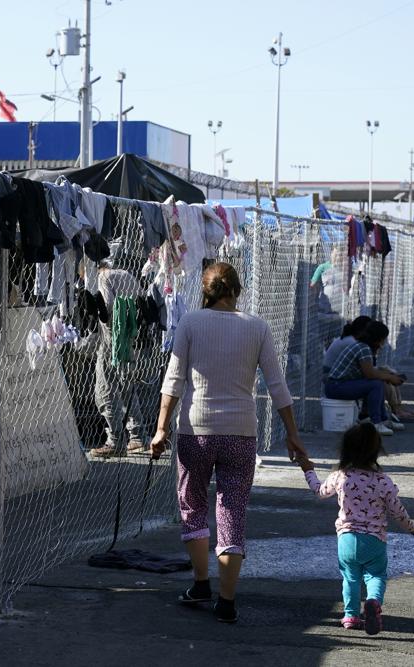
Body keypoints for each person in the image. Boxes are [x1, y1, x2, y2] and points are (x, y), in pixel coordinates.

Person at [149, 262, 306, 623]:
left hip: (196, 431)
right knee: (232, 511)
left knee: (192, 504)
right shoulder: (257, 327)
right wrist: (293, 435)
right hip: (241, 432)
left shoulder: (190, 323)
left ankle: (201, 582)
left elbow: (173, 381)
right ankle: (227, 600)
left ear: (205, 291)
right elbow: (278, 385)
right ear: (238, 290)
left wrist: (161, 429)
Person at [296, 423, 414, 635]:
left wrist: (308, 469)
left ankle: (351, 615)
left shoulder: (340, 476)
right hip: (373, 540)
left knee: (350, 577)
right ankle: (373, 602)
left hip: (346, 539)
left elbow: (319, 490)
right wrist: (411, 527)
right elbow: (397, 510)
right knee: (376, 575)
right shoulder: (383, 481)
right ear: (376, 450)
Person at [91, 261, 146, 458]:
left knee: (104, 388)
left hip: (112, 338)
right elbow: (142, 297)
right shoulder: (125, 273)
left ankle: (115, 440)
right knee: (126, 385)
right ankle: (138, 435)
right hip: (131, 335)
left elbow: (108, 305)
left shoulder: (103, 277)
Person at [323, 321, 404, 436]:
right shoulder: (363, 348)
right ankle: (376, 423)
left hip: (339, 385)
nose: (384, 342)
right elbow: (370, 374)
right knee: (375, 384)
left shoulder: (362, 346)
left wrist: (387, 376)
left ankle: (383, 420)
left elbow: (370, 371)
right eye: (384, 339)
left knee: (377, 382)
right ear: (378, 338)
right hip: (336, 386)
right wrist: (390, 377)